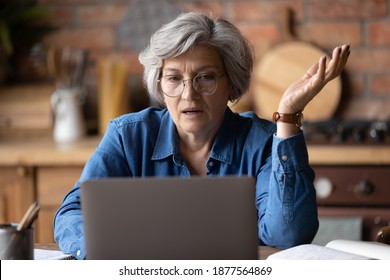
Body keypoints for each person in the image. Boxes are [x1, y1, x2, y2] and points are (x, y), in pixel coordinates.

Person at [53, 12, 350, 259]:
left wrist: (287, 116)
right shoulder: (128, 136)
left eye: (205, 77)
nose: (188, 94)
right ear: (160, 86)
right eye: (174, 79)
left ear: (232, 85)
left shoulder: (263, 141)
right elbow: (70, 215)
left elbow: (289, 236)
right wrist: (107, 256)